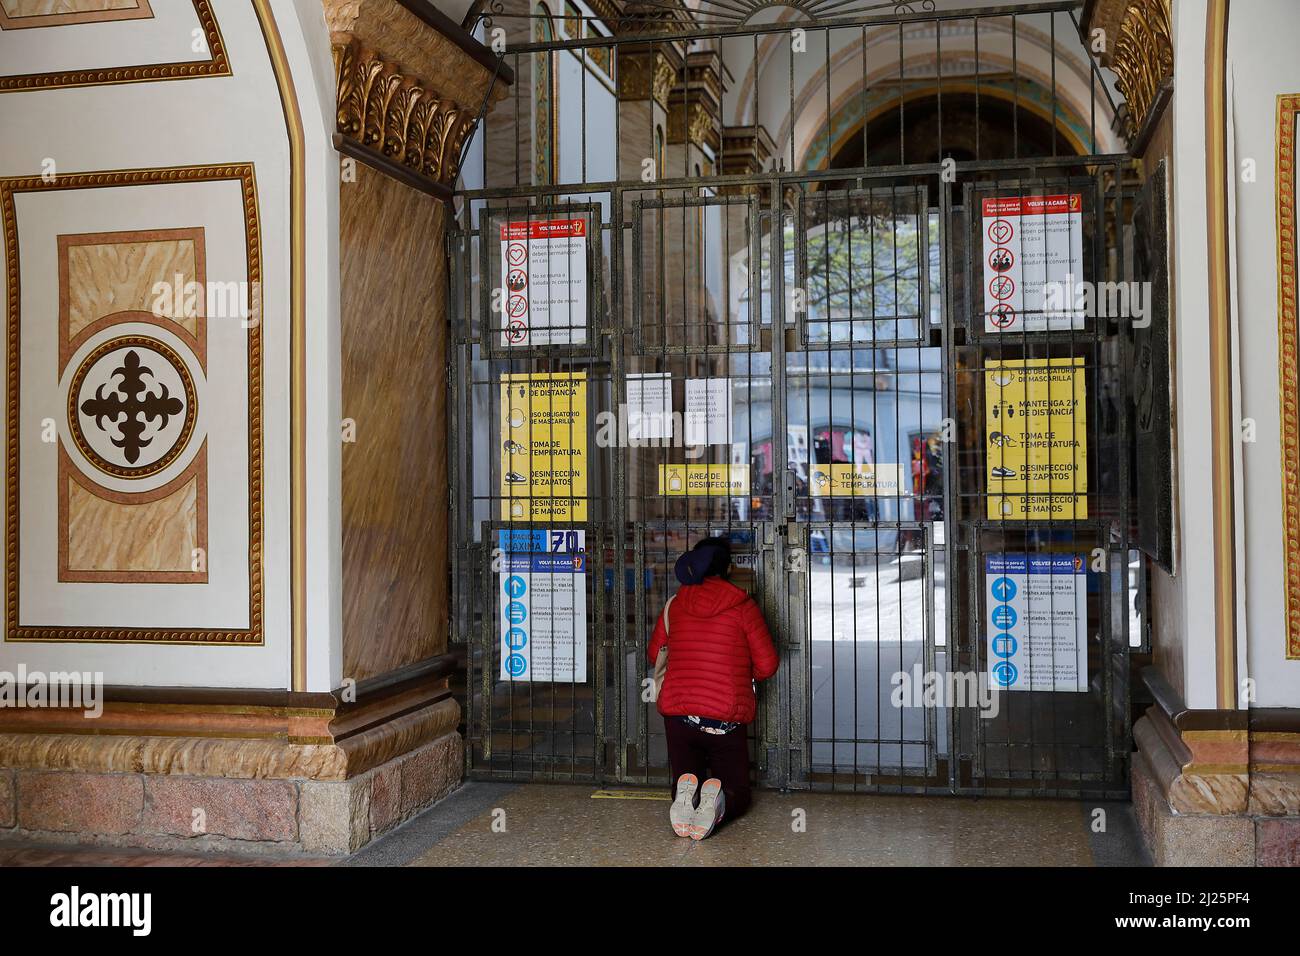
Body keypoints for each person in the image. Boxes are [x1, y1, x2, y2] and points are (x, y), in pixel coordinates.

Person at [647, 536, 778, 840]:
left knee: (686, 775)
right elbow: (768, 664)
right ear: (728, 568)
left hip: (679, 717)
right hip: (724, 719)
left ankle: (685, 795)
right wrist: (740, 673)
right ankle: (719, 802)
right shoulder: (743, 606)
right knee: (739, 792)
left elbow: (656, 654)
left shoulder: (675, 604)